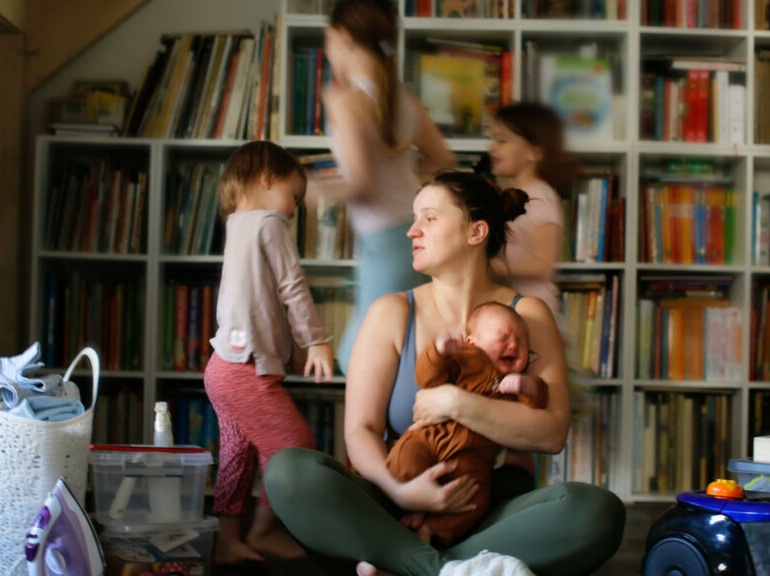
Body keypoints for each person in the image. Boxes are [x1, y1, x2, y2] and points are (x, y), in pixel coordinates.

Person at [265, 171, 625, 576]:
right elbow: (360, 430)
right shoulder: (393, 312)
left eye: (429, 218)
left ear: (476, 232)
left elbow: (551, 432)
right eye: (414, 218)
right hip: (395, 499)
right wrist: (403, 491)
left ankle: (402, 565)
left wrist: (455, 401)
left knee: (597, 511)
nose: (412, 231)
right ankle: (454, 569)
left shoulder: (527, 315)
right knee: (289, 472)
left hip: (490, 507)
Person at [204, 141, 334, 565]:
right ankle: (264, 530)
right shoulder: (270, 222)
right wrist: (315, 340)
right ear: (266, 179)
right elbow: (291, 287)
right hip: (243, 370)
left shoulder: (238, 224)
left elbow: (257, 305)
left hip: (222, 367)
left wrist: (285, 353)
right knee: (293, 444)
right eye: (293, 196)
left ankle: (227, 543)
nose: (294, 209)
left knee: (237, 461)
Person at [319, 0, 456, 373]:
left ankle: (378, 432)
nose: (328, 51)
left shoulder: (344, 100)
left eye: (327, 41)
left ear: (343, 37)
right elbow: (443, 157)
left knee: (360, 361)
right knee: (409, 354)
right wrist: (408, 170)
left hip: (382, 244)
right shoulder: (403, 99)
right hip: (416, 238)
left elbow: (363, 183)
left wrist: (321, 192)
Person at [388, 301, 548, 548]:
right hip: (429, 438)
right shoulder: (462, 361)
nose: (514, 345)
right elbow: (427, 378)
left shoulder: (516, 382)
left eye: (521, 341)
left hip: (471, 458)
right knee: (404, 458)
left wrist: (527, 385)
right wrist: (438, 352)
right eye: (503, 337)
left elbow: (539, 399)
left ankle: (432, 530)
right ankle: (411, 508)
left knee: (476, 498)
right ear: (472, 343)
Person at [487, 103, 579, 317]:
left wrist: (491, 266)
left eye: (502, 140)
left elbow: (542, 263)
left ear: (534, 152)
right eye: (493, 139)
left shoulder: (539, 197)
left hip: (534, 315)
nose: (492, 147)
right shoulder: (509, 195)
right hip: (511, 309)